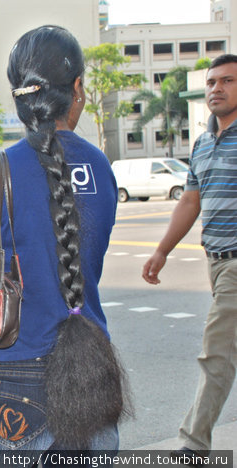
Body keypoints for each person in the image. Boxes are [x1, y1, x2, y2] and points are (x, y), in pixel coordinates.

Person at [0, 26, 128, 466]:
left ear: (19, 96)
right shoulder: (100, 167)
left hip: (12, 367)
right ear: (77, 88)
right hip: (91, 363)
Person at [142, 54, 237, 460]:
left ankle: (193, 444)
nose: (217, 88)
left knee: (216, 351)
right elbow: (190, 202)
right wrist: (162, 250)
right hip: (215, 263)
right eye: (212, 82)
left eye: (228, 81)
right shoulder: (201, 143)